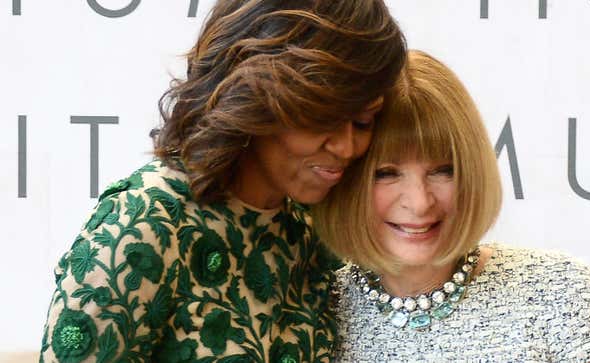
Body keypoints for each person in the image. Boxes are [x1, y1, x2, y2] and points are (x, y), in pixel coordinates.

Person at [39, 1, 406, 362]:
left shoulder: (314, 230)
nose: (345, 146)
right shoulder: (144, 223)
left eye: (362, 122)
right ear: (254, 94)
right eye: (323, 116)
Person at [313, 50, 590, 362]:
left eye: (443, 170)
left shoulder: (559, 291)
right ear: (347, 180)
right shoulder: (317, 310)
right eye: (386, 173)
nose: (420, 202)